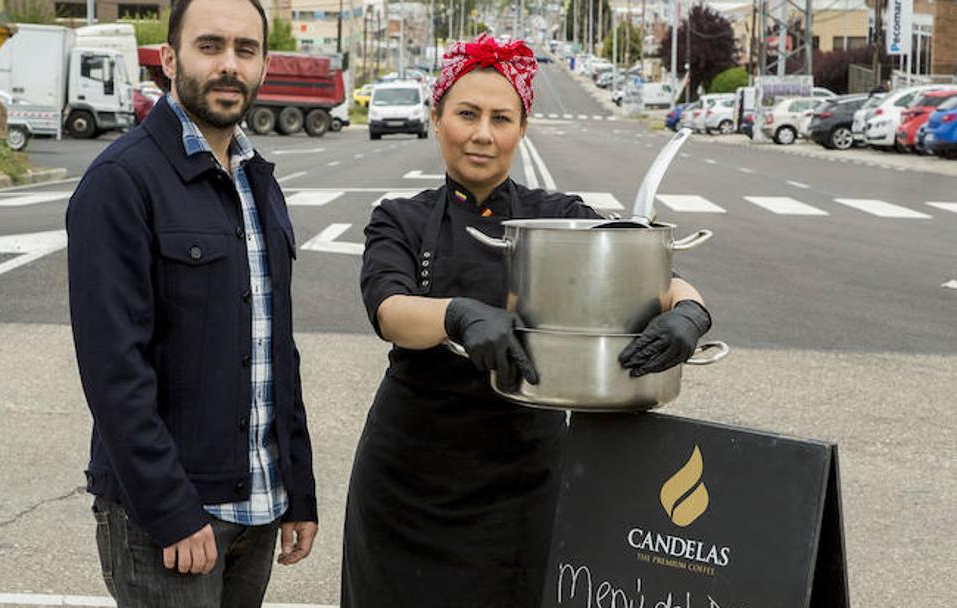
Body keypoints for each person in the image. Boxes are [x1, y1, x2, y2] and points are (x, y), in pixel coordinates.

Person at [342, 34, 713, 608]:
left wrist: (690, 311)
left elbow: (646, 272)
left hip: (527, 479)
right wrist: (458, 315)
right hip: (408, 480)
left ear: (522, 127)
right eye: (466, 114)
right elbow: (390, 312)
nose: (482, 134)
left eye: (501, 117)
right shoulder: (400, 219)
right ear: (436, 118)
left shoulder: (557, 217)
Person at [66, 0, 318, 605]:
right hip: (172, 520)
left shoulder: (257, 178)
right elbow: (113, 371)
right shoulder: (121, 182)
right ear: (170, 58)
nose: (229, 65)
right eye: (211, 47)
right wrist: (171, 509)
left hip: (257, 509)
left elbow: (275, 347)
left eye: (246, 50)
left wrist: (298, 487)